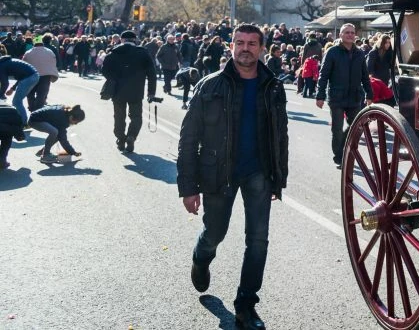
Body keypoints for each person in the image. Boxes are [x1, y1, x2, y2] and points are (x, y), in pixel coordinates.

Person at [177, 24, 288, 330]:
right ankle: (201, 256)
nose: (246, 48)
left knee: (258, 241)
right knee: (216, 233)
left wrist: (279, 178)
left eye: (252, 43)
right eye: (240, 42)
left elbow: (281, 136)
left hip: (259, 173)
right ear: (231, 47)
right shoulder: (210, 85)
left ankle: (246, 304)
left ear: (262, 48)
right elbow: (188, 138)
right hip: (218, 173)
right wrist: (188, 187)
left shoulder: (272, 86)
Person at [315, 23, 372, 166]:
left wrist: (369, 94)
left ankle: (345, 150)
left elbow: (365, 76)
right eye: (347, 32)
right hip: (336, 98)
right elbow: (323, 75)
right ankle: (339, 157)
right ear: (340, 35)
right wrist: (320, 95)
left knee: (356, 127)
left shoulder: (359, 53)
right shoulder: (332, 52)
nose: (350, 35)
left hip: (354, 97)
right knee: (337, 130)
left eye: (352, 33)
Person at [101, 30, 157, 154]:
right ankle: (131, 136)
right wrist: (151, 92)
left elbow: (104, 70)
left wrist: (113, 79)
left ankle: (121, 138)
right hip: (136, 90)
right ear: (135, 40)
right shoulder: (142, 53)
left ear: (122, 39)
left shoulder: (114, 52)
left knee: (119, 116)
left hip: (118, 90)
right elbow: (152, 74)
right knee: (136, 116)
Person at [23, 37, 59, 112]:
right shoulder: (49, 52)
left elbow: (24, 63)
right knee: (42, 94)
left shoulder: (28, 52)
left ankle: (31, 107)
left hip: (32, 75)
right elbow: (53, 62)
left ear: (34, 44)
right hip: (45, 76)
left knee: (30, 93)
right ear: (42, 44)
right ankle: (38, 110)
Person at [0, 55, 39, 124]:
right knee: (17, 101)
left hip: (30, 77)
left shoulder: (1, 66)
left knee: (16, 102)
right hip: (33, 75)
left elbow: (5, 83)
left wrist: (1, 95)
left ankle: (24, 123)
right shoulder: (7, 62)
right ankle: (22, 121)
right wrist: (12, 88)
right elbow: (22, 76)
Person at [0, 105, 26, 170]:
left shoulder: (15, 115)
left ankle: (2, 161)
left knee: (7, 137)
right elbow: (20, 134)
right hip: (8, 129)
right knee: (7, 140)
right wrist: (20, 137)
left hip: (7, 127)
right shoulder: (16, 117)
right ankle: (2, 161)